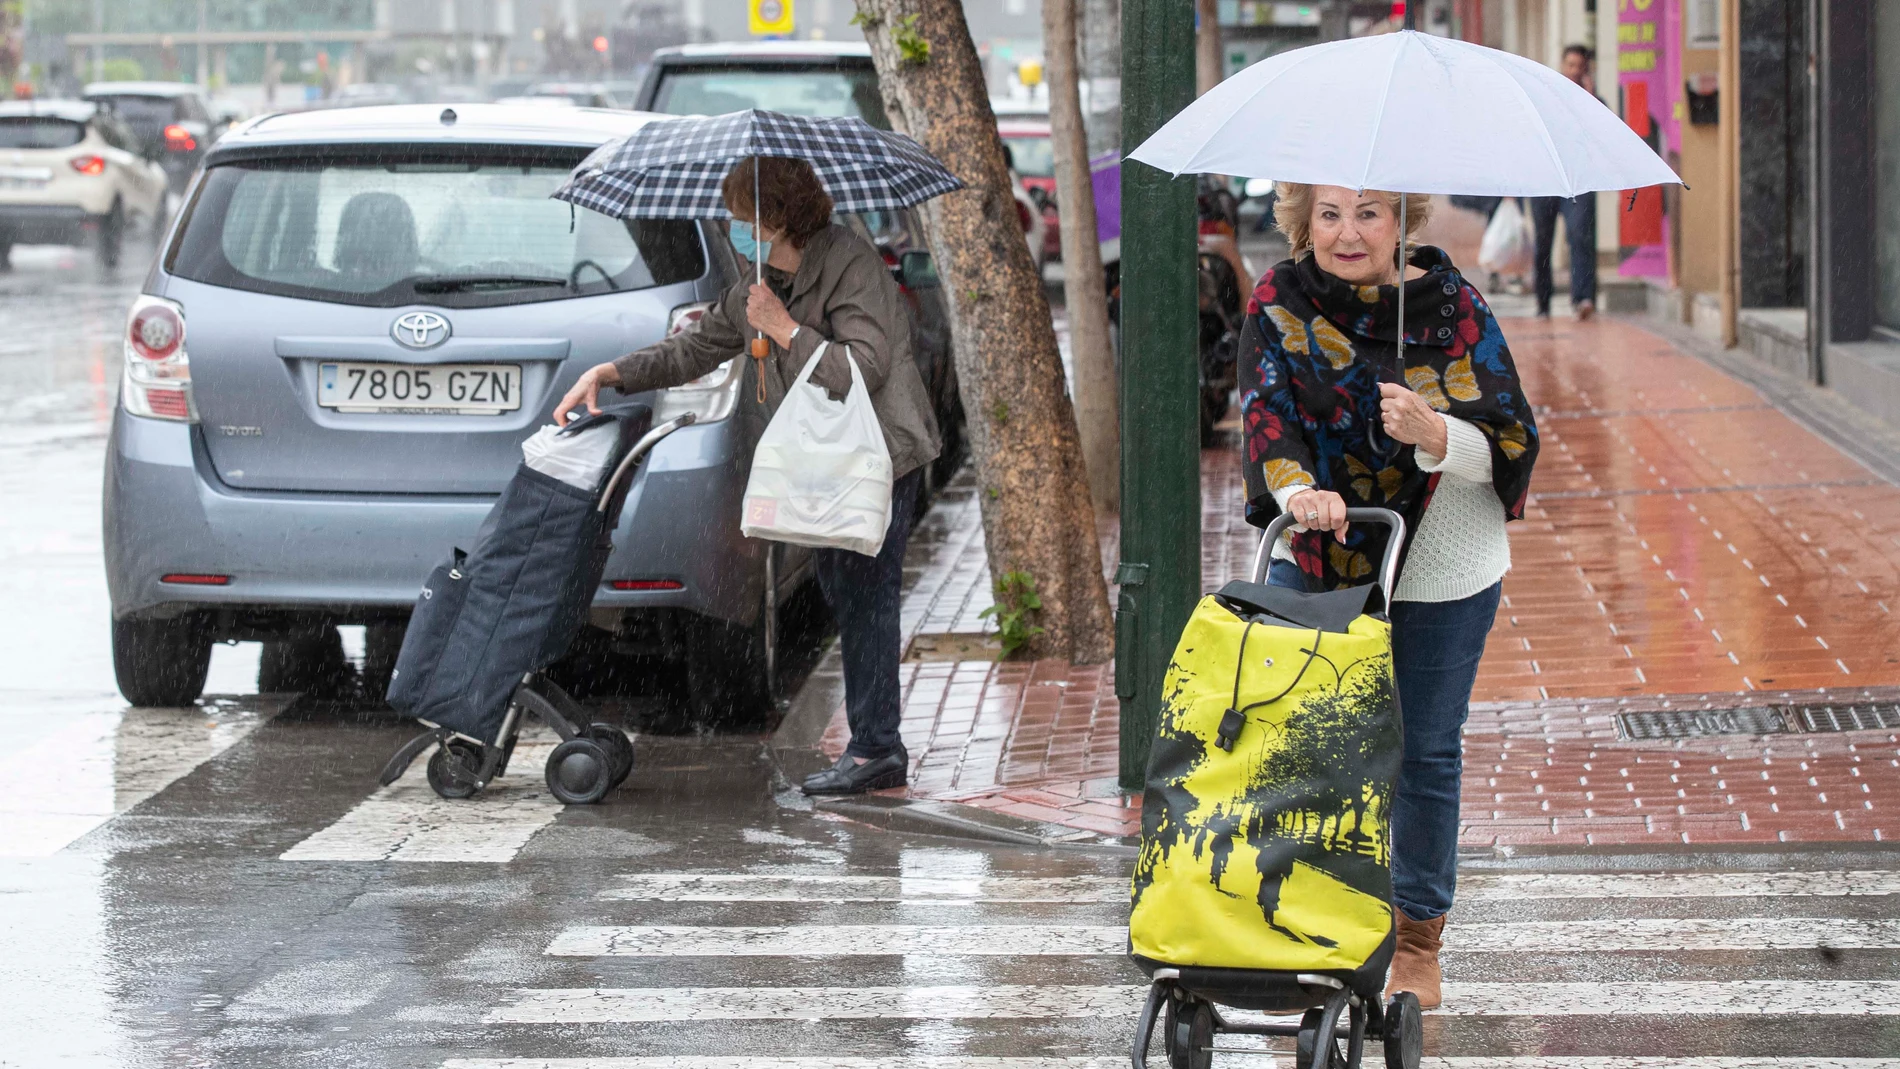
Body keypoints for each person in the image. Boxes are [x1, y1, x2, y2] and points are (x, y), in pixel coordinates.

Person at [1240, 183, 1539, 1009]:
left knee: (1422, 747)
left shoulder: (1455, 308)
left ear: (1400, 220)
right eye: (1329, 214)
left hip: (1443, 553)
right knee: (1306, 740)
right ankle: (1301, 913)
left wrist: (1440, 436)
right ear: (1305, 221)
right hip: (1322, 547)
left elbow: (1514, 439)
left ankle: (1416, 936)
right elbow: (1267, 419)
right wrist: (1298, 489)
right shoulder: (1280, 301)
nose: (1347, 233)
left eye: (1369, 212)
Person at [555, 156, 941, 796]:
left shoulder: (849, 262)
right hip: (822, 463)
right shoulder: (761, 282)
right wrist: (610, 373)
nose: (736, 231)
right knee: (843, 594)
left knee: (866, 600)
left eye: (743, 220)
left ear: (779, 220)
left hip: (876, 455)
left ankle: (877, 749)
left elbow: (860, 372)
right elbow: (694, 348)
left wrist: (783, 328)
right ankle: (875, 744)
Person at [1530, 44, 1599, 320]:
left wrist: (1590, 98)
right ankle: (1543, 303)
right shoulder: (1546, 96)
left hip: (1578, 182)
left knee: (1580, 236)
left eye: (1579, 67)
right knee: (1543, 243)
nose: (1574, 71)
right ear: (1562, 65)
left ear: (1586, 69)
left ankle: (1583, 298)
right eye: (1569, 65)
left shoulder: (1594, 102)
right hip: (1544, 181)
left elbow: (1598, 137)